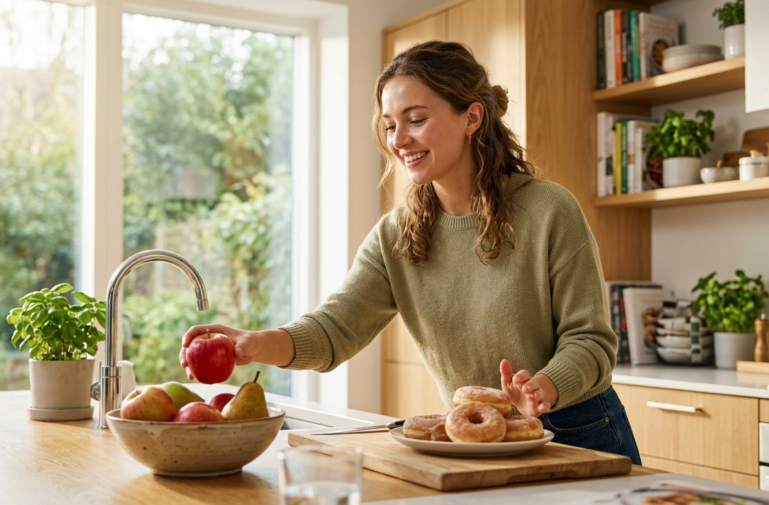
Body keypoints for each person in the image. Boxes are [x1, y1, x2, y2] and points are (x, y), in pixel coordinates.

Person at [179, 41, 641, 465]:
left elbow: (591, 340)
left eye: (416, 119)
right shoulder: (397, 235)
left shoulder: (549, 210)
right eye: (391, 125)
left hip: (577, 429)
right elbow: (334, 330)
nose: (399, 140)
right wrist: (251, 344)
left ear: (472, 118)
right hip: (472, 437)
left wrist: (544, 388)